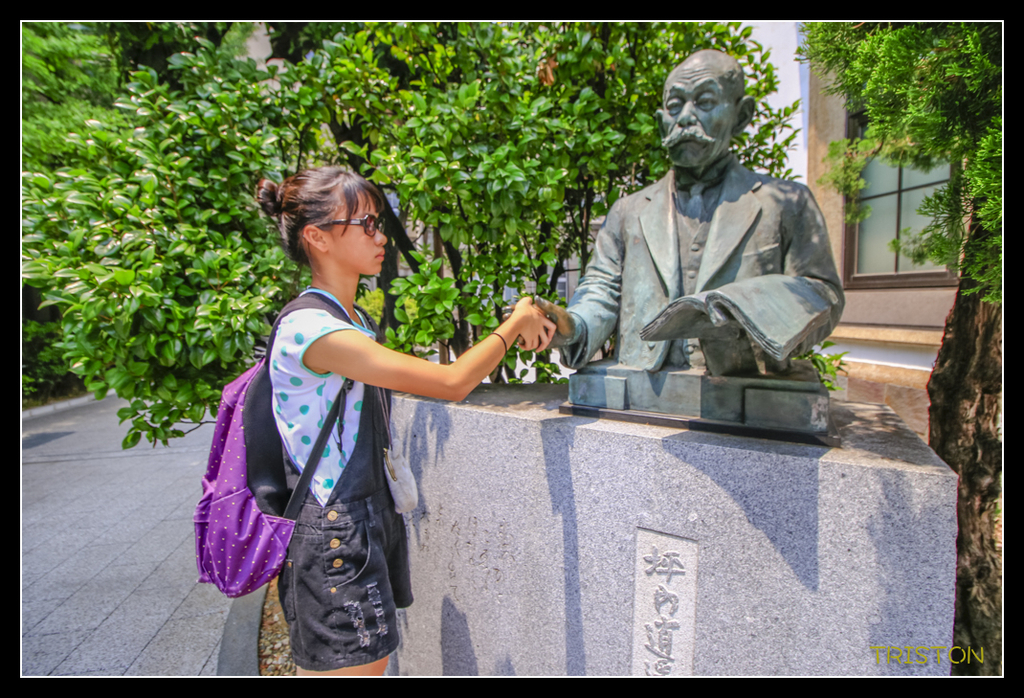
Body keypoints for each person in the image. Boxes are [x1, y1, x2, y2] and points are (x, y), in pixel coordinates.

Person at [256, 167, 555, 675]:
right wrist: (515, 326)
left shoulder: (349, 322)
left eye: (378, 222)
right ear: (317, 237)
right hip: (334, 537)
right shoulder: (314, 331)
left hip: (359, 524)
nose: (380, 235)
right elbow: (451, 382)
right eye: (365, 224)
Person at [536, 49, 844, 377]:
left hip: (746, 392)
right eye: (674, 106)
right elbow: (601, 290)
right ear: (660, 121)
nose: (684, 117)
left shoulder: (788, 203)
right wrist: (572, 325)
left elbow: (823, 295)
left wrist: (750, 303)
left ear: (741, 116)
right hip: (643, 392)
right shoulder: (628, 211)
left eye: (705, 102)